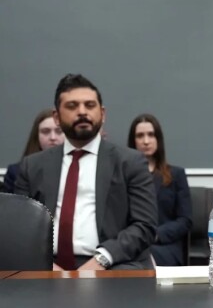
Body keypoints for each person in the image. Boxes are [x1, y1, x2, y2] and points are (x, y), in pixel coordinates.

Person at [15, 74, 157, 270]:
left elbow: (145, 225)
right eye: (72, 106)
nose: (82, 112)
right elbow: (20, 228)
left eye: (90, 105)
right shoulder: (32, 166)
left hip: (113, 263)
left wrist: (101, 260)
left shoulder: (130, 162)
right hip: (48, 265)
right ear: (56, 117)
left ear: (103, 113)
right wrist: (48, 266)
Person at [128, 114, 192, 266]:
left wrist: (155, 235)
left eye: (151, 135)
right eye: (140, 136)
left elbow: (185, 221)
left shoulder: (176, 175)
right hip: (132, 245)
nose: (146, 141)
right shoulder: (124, 177)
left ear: (158, 139)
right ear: (133, 141)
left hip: (164, 246)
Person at [3, 109, 65, 193]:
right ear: (37, 136)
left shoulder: (78, 168)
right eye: (45, 131)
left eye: (59, 131)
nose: (52, 137)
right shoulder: (15, 172)